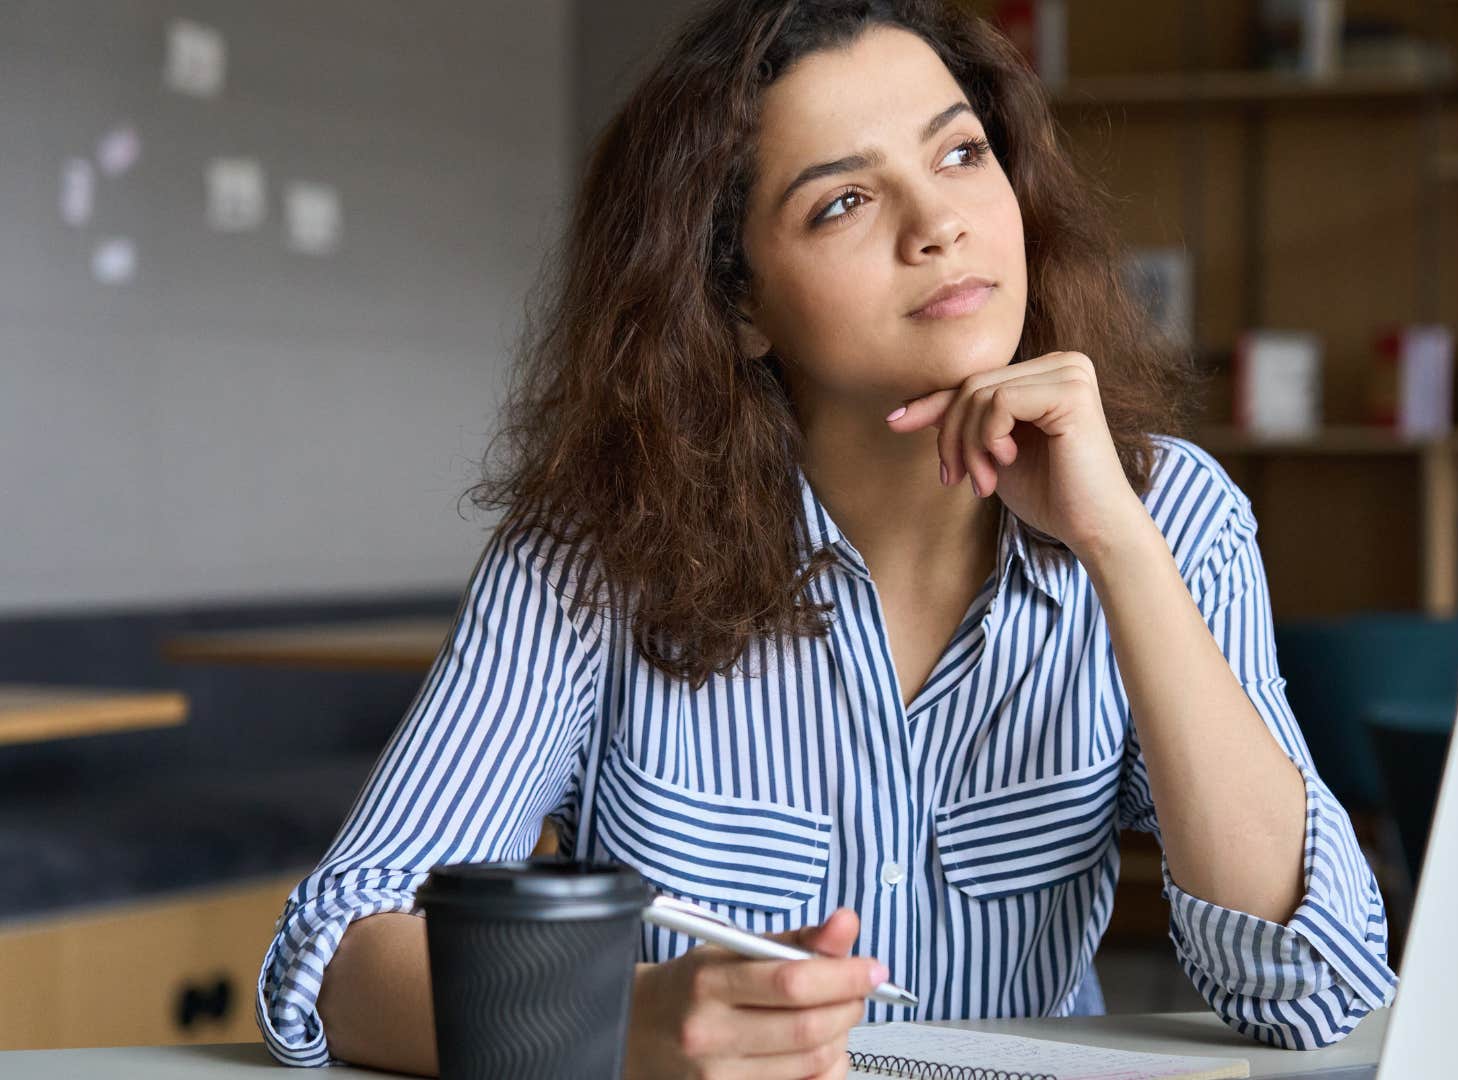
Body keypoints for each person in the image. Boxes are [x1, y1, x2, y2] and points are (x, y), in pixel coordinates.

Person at [255, 1, 1395, 1075]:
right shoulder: (594, 555)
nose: (938, 222)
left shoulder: (1172, 513)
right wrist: (622, 1030)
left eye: (960, 155)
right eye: (843, 202)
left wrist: (1120, 548)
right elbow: (337, 960)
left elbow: (1315, 986)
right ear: (740, 305)